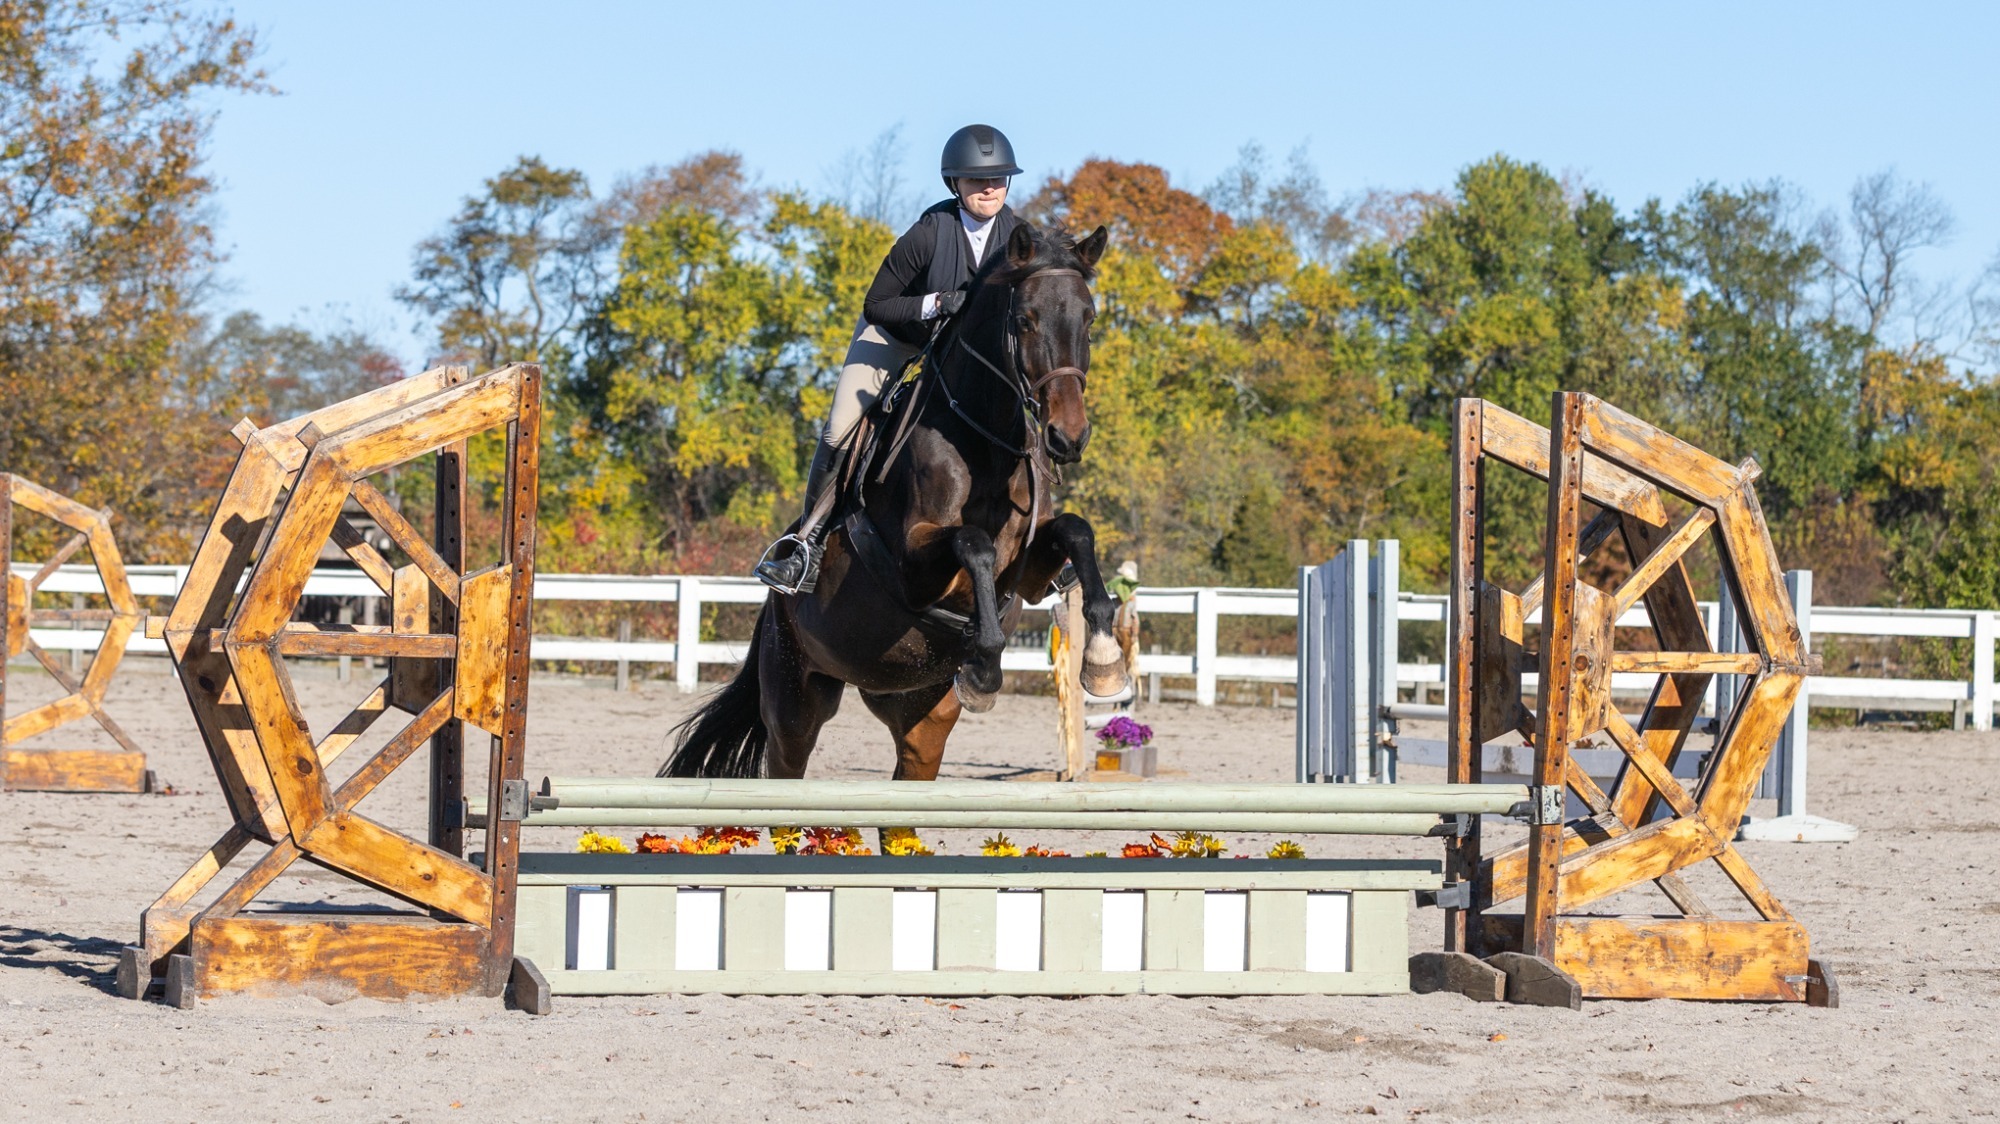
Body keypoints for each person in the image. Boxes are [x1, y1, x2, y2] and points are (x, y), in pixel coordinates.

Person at [753, 123, 1028, 594]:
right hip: (896, 337)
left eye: (998, 179)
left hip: (965, 357)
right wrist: (937, 303)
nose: (989, 188)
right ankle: (806, 545)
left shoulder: (1020, 236)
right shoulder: (928, 232)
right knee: (840, 428)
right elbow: (877, 305)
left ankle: (1036, 537)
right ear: (954, 184)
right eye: (977, 180)